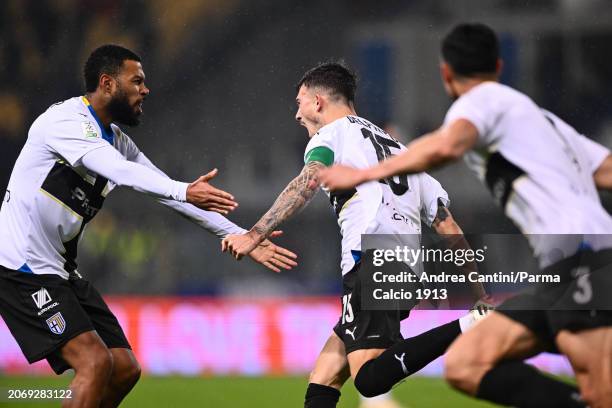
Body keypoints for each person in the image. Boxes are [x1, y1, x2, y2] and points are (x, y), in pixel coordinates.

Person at [319, 23, 612, 408]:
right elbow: (606, 170)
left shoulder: (481, 101)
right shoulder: (541, 120)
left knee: (600, 390)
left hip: (586, 261)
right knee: (465, 364)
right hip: (560, 272)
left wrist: (364, 173)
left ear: (445, 73)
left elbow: (449, 144)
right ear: (499, 64)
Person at [0, 44, 297, 408]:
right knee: (94, 363)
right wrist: (184, 189)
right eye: (137, 81)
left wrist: (238, 233)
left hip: (59, 271)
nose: (146, 89)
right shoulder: (65, 123)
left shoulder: (119, 141)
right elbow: (121, 173)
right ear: (107, 83)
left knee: (124, 368)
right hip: (20, 265)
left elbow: (166, 193)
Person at [222, 62, 491, 407]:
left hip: (373, 259)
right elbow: (446, 224)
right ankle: (476, 318)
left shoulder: (330, 135)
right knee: (326, 376)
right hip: (405, 264)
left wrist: (255, 233)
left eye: (299, 102)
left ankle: (469, 325)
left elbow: (309, 181)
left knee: (368, 378)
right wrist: (479, 290)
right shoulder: (401, 151)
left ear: (318, 102)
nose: (297, 114)